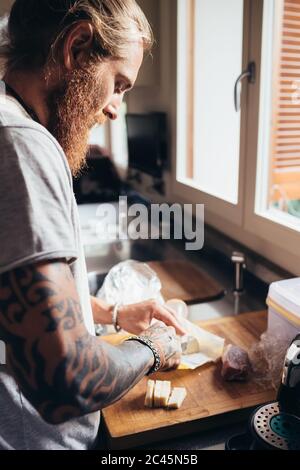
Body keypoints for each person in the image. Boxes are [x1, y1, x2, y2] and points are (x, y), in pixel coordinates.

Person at [0, 0, 184, 450]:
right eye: (119, 84)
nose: (116, 109)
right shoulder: (23, 144)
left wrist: (111, 314)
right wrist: (156, 346)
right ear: (77, 47)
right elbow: (68, 383)